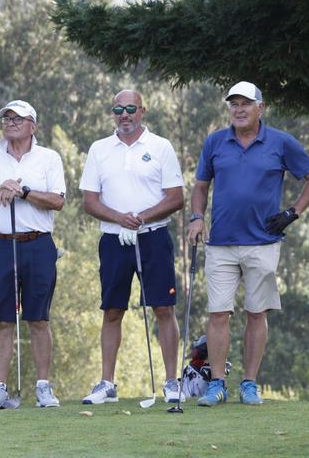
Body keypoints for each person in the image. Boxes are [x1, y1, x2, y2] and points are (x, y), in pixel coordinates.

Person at [186, 81, 309, 406]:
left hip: (263, 242)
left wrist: (293, 212)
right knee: (218, 313)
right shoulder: (216, 141)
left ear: (260, 107)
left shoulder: (280, 142)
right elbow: (201, 185)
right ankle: (217, 383)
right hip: (220, 242)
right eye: (234, 103)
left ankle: (249, 383)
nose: (239, 109)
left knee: (256, 312)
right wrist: (196, 217)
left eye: (246, 103)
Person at [79, 89, 185, 405]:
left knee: (163, 308)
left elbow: (175, 197)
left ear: (142, 110)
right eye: (118, 109)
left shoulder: (160, 147)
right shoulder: (99, 149)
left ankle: (171, 382)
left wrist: (139, 217)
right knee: (112, 310)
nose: (124, 114)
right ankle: (107, 383)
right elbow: (89, 201)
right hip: (114, 240)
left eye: (130, 108)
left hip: (152, 237)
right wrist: (120, 219)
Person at [0, 100, 67, 410]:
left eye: (18, 118)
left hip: (38, 244)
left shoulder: (49, 158)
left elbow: (57, 201)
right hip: (0, 244)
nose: (10, 122)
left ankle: (43, 388)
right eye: (6, 118)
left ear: (32, 125)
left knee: (38, 319)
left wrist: (23, 191)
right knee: (2, 320)